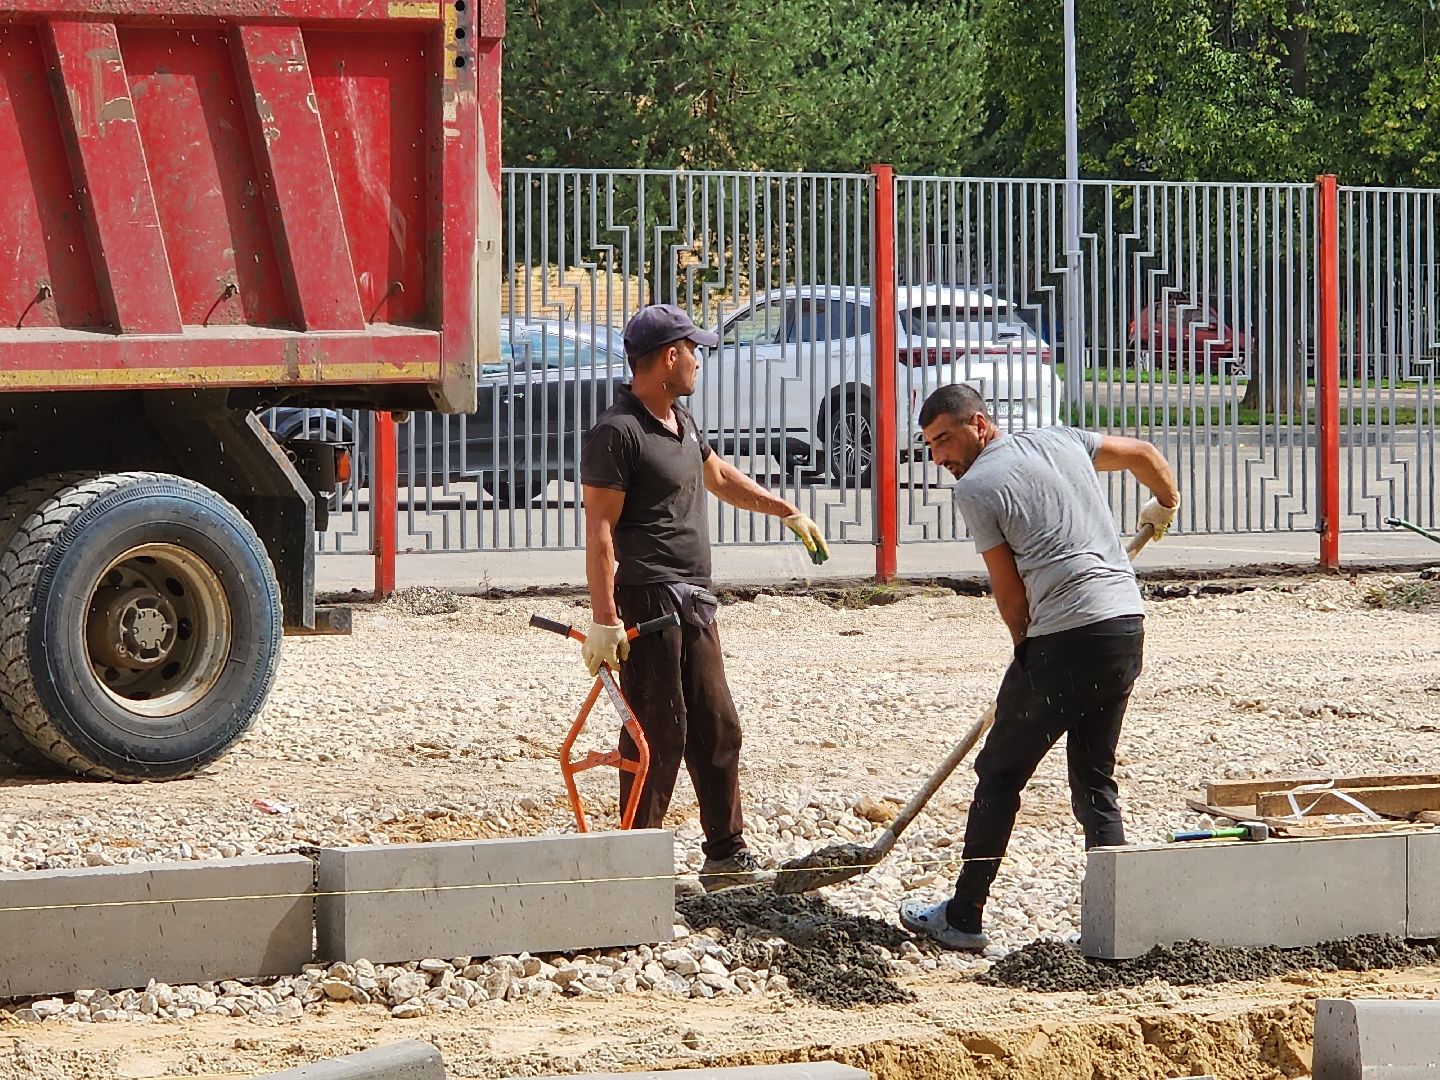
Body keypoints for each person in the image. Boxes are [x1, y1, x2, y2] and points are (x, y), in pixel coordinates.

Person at [899, 383, 1179, 950]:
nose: (940, 457)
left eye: (946, 439)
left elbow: (1009, 594)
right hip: (1125, 627)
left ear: (979, 424)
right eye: (930, 445)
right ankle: (1120, 924)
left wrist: (1028, 652)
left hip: (1066, 636)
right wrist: (1165, 505)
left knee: (999, 774)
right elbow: (1146, 456)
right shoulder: (1062, 440)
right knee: (1095, 778)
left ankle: (964, 916)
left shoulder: (977, 487)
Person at [579, 303, 831, 892]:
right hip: (646, 601)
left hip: (694, 601)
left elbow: (717, 476)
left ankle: (725, 853)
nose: (698, 360)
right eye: (694, 350)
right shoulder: (617, 431)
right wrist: (605, 621)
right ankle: (634, 865)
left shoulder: (680, 421)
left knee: (717, 726)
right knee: (656, 732)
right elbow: (599, 533)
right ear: (669, 356)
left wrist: (785, 510)